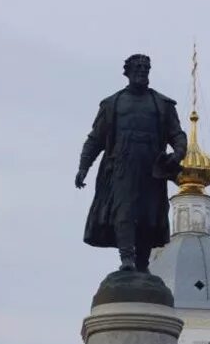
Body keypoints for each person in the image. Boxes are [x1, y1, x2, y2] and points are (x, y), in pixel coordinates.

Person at [76, 54, 187, 272]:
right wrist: (83, 167)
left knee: (149, 214)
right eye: (137, 68)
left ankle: (142, 263)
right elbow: (95, 139)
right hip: (122, 166)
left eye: (145, 69)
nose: (142, 72)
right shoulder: (112, 104)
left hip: (152, 166)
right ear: (127, 72)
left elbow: (177, 134)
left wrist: (179, 152)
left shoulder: (162, 104)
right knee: (124, 211)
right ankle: (127, 258)